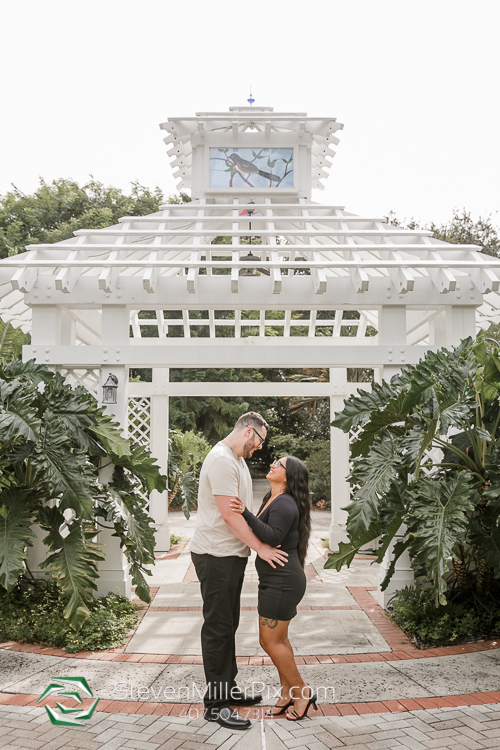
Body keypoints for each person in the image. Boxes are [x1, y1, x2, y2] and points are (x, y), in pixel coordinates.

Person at [190, 412, 288, 731]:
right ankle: (216, 705)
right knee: (218, 627)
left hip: (230, 555)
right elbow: (229, 516)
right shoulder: (221, 460)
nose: (259, 448)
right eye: (258, 441)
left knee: (228, 623)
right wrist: (260, 547)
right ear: (249, 431)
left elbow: (243, 510)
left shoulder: (237, 459)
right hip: (215, 554)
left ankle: (228, 688)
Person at [229, 455, 317, 721]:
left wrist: (244, 511)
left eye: (279, 464)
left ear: (289, 477)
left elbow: (273, 537)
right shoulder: (274, 498)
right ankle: (286, 692)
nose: (273, 465)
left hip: (282, 583)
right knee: (280, 640)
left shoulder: (285, 504)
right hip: (277, 581)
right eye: (274, 461)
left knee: (268, 641)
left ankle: (302, 692)